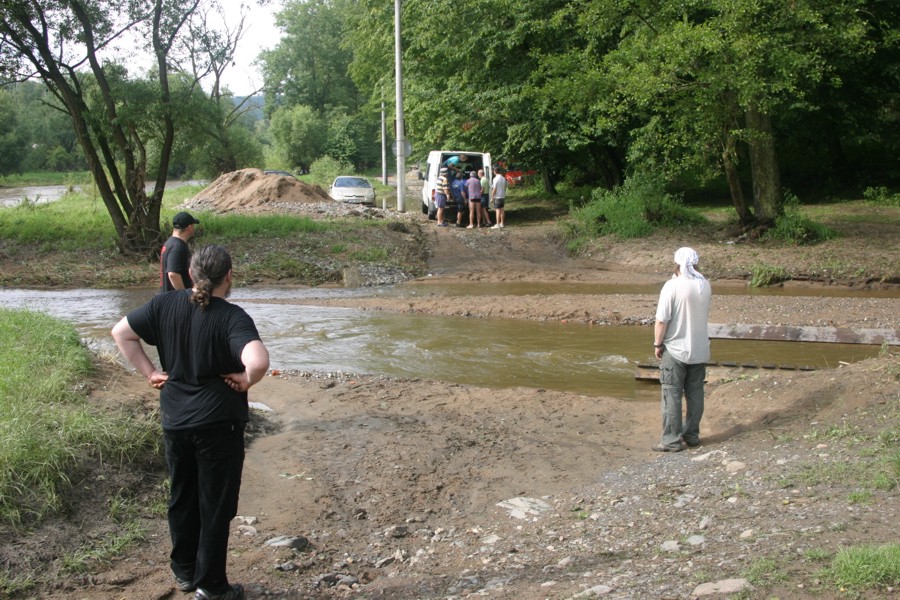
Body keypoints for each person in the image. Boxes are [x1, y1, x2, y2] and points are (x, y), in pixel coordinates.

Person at [112, 244, 270, 600]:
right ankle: (212, 586)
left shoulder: (162, 304)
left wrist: (150, 372)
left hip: (175, 420)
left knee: (182, 495)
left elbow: (120, 333)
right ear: (228, 276)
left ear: (191, 272)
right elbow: (258, 361)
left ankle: (184, 572)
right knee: (214, 504)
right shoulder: (232, 317)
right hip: (218, 425)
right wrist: (246, 380)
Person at [652, 247, 712, 452]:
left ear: (676, 263)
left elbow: (661, 321)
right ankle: (692, 436)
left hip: (676, 348)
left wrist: (658, 344)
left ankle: (671, 440)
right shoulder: (705, 285)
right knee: (695, 393)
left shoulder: (672, 286)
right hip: (700, 349)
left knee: (671, 394)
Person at [160, 211, 200, 292]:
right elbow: (173, 274)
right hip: (175, 301)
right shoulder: (177, 247)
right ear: (189, 227)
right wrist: (184, 296)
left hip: (168, 298)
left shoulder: (169, 243)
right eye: (193, 225)